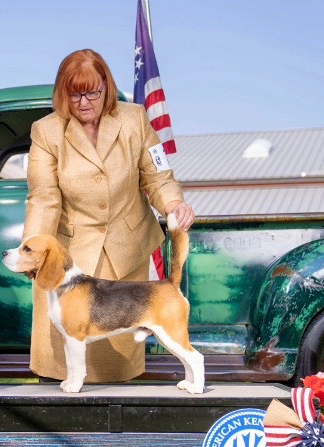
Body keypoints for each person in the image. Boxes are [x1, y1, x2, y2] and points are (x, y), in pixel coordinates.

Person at [22, 49, 195, 383]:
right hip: (70, 258)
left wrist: (174, 205)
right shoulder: (46, 132)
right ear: (63, 93)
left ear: (107, 87)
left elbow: (158, 175)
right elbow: (43, 197)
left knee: (118, 371)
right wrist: (34, 253)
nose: (85, 101)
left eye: (94, 92)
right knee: (63, 365)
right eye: (76, 94)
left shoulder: (135, 119)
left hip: (126, 249)